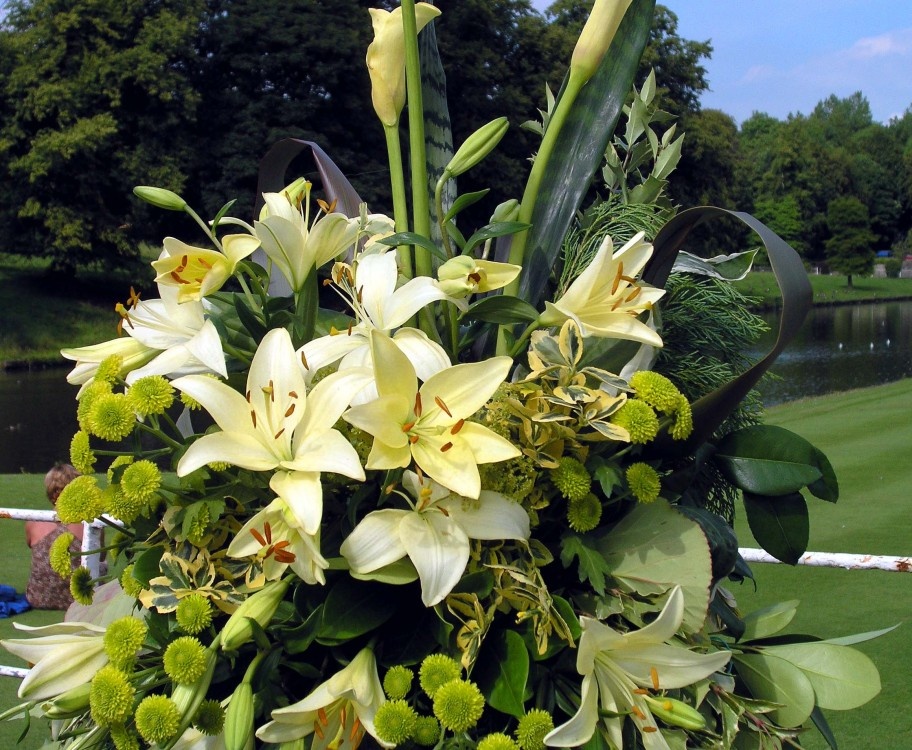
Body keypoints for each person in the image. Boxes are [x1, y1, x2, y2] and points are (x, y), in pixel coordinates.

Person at [24, 463, 84, 610]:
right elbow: (100, 557)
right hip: (78, 599)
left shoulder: (33, 522)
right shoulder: (89, 524)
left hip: (38, 597)